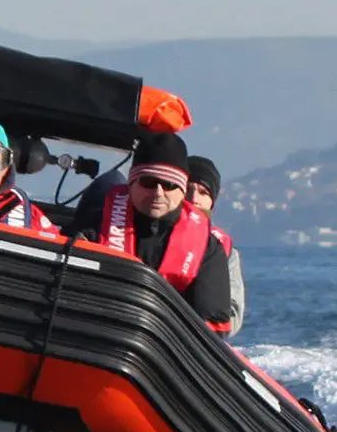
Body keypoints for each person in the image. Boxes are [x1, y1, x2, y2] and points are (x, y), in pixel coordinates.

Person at [72, 132, 231, 331]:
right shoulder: (94, 229)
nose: (158, 192)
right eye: (148, 182)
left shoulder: (208, 250)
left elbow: (212, 323)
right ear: (131, 184)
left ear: (182, 191)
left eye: (169, 185)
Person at [187, 155, 245, 337]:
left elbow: (233, 313)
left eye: (203, 192)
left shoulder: (224, 252)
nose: (194, 198)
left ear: (213, 201)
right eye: (188, 189)